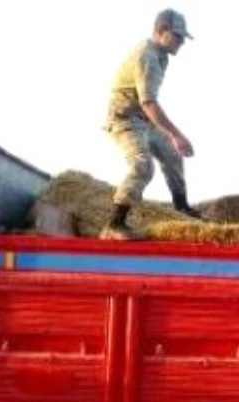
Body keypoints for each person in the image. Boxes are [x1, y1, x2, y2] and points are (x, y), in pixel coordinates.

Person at [101, 8, 201, 240]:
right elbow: (149, 103)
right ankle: (114, 224)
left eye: (183, 38)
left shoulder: (161, 55)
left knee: (171, 155)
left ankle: (181, 206)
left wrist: (170, 138)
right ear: (160, 31)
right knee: (143, 166)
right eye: (177, 36)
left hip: (142, 119)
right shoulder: (147, 56)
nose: (181, 42)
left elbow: (147, 107)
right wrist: (177, 134)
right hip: (125, 119)